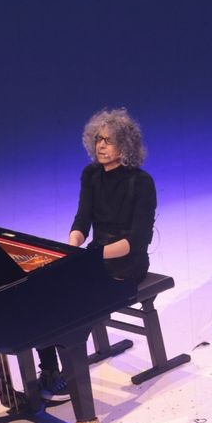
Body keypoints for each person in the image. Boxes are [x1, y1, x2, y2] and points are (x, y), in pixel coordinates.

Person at [38, 107, 157, 397]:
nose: (101, 146)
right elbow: (82, 220)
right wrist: (71, 247)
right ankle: (50, 370)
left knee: (68, 304)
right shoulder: (91, 174)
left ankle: (71, 375)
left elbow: (137, 241)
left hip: (128, 262)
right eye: (98, 139)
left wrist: (90, 259)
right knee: (42, 291)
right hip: (96, 257)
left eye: (109, 140)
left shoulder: (141, 182)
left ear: (124, 146)